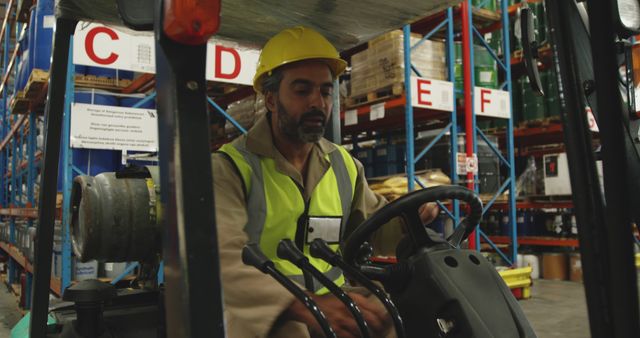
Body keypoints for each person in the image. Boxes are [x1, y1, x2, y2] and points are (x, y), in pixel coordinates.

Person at [212, 26, 438, 338]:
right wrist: (306, 305)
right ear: (271, 100)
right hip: (267, 314)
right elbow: (222, 260)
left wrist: (410, 218)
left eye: (326, 91)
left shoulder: (345, 165)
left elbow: (372, 228)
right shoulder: (230, 169)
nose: (318, 102)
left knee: (394, 314)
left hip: (333, 301)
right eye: (302, 90)